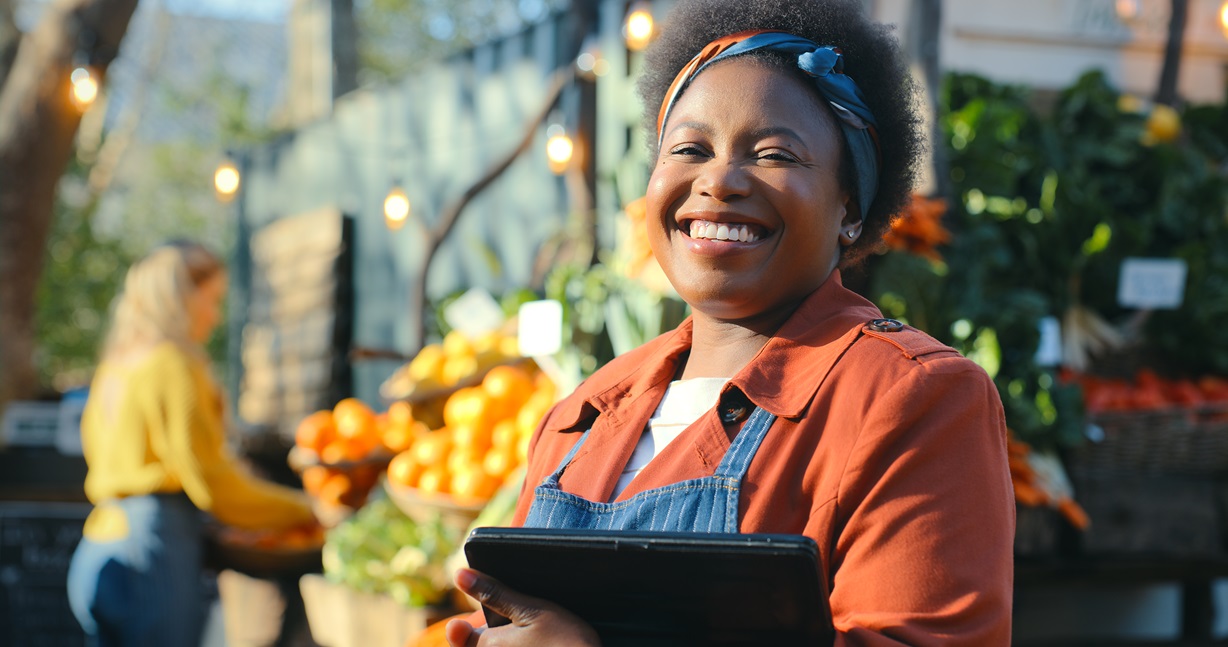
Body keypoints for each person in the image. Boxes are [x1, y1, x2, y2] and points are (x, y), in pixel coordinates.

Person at [445, 0, 1015, 645]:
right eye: (689, 147)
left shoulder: (914, 399)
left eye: (774, 154)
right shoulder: (583, 414)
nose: (719, 180)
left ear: (850, 206)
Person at [66, 241, 317, 646]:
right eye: (212, 299)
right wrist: (305, 510)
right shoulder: (173, 365)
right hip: (152, 555)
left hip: (99, 544)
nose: (215, 316)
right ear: (182, 298)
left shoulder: (116, 366)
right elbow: (213, 484)